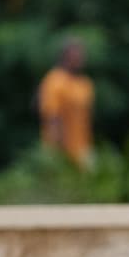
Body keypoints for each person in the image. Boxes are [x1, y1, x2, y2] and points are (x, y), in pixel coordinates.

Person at [36, 39, 95, 168]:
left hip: (82, 148)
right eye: (77, 55)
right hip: (60, 150)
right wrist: (57, 150)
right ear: (66, 56)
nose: (81, 58)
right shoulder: (54, 81)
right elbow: (52, 117)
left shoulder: (85, 84)